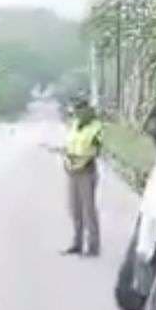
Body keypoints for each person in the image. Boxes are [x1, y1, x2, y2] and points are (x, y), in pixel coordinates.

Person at [62, 99, 105, 257]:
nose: (78, 113)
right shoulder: (75, 125)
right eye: (76, 110)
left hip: (86, 170)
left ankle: (93, 246)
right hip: (72, 169)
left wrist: (81, 161)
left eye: (81, 109)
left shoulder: (96, 127)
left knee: (88, 210)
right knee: (75, 209)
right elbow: (69, 145)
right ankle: (77, 243)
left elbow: (96, 149)